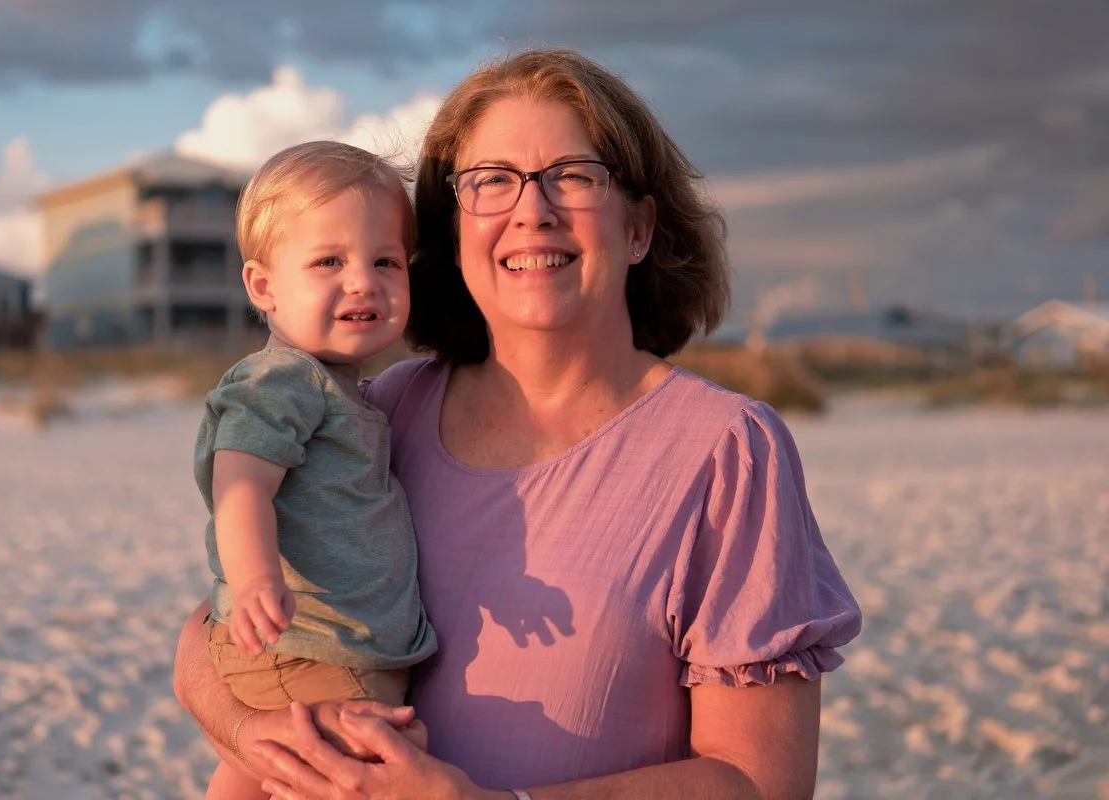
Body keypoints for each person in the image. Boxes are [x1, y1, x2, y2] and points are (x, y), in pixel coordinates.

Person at [174, 48, 862, 800]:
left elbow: (758, 781)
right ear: (453, 233)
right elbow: (215, 635)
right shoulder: (382, 410)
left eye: (573, 175)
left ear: (639, 226)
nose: (531, 211)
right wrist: (247, 736)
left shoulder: (726, 451)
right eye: (492, 181)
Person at [191, 141, 437, 799]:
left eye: (385, 260)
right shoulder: (282, 379)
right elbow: (239, 482)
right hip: (311, 646)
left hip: (324, 648)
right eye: (329, 261)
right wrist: (254, 581)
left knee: (260, 768)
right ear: (263, 286)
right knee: (351, 774)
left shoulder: (337, 386)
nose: (362, 281)